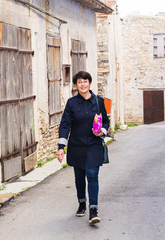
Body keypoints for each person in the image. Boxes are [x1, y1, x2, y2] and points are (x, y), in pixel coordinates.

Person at [57, 71, 110, 224]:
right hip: (77, 146)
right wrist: (61, 147)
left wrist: (102, 131)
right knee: (79, 176)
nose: (83, 84)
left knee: (92, 174)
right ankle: (82, 202)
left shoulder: (99, 102)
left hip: (94, 145)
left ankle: (93, 210)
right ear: (76, 85)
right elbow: (65, 125)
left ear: (90, 83)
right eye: (80, 82)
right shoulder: (71, 103)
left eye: (85, 81)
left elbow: (106, 122)